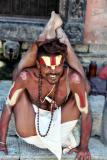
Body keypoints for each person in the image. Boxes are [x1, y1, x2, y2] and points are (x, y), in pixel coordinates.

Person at [0, 12, 92, 160]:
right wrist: (1, 142)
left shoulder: (71, 78)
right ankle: (41, 39)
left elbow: (86, 113)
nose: (53, 71)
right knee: (19, 77)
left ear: (64, 63)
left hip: (61, 127)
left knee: (83, 85)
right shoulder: (28, 76)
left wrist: (84, 146)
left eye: (58, 66)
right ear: (38, 65)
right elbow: (8, 106)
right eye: (47, 67)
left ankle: (64, 41)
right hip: (29, 129)